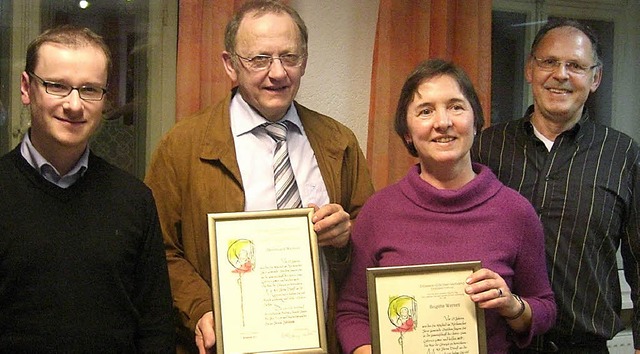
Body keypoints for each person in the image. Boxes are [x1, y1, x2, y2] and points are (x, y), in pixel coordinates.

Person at [144, 1, 374, 353]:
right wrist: (201, 307)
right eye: (260, 59)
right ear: (230, 65)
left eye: (290, 57)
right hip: (227, 344)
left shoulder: (338, 141)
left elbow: (371, 243)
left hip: (320, 343)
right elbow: (158, 249)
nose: (278, 72)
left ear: (305, 61)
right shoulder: (182, 146)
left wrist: (345, 239)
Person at [336, 59, 557, 354]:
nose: (443, 122)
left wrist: (512, 306)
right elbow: (352, 311)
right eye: (426, 111)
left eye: (456, 106)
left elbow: (545, 308)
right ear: (407, 133)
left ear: (476, 123)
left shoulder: (515, 212)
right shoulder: (379, 212)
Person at [0, 25, 175, 352]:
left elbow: (156, 327)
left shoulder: (134, 200)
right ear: (26, 88)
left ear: (105, 99)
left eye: (89, 89)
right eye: (57, 86)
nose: (74, 104)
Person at [472, 18, 640, 354]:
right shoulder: (485, 148)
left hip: (583, 345)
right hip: (497, 342)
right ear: (530, 70)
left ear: (595, 79)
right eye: (548, 62)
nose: (560, 74)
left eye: (575, 65)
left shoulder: (623, 155)